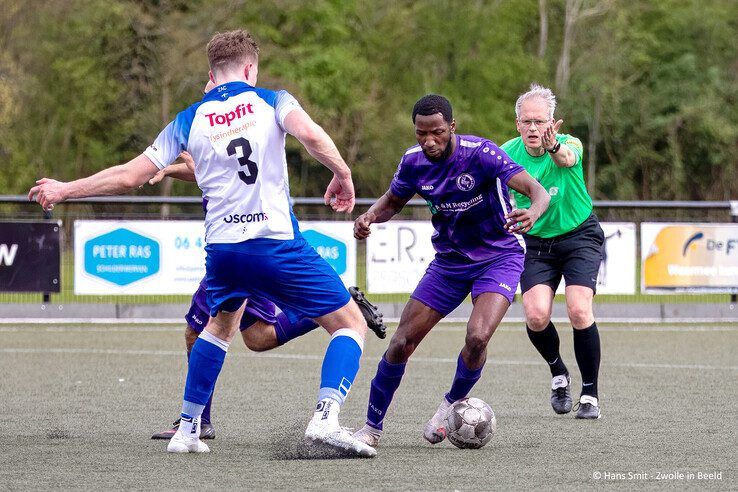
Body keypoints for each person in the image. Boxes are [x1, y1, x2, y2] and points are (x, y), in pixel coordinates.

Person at [28, 29, 377, 457]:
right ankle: (326, 418)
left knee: (219, 327)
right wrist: (342, 173)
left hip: (224, 252)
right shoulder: (273, 100)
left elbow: (130, 175)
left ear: (212, 73)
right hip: (274, 243)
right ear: (250, 68)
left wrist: (64, 190)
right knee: (350, 323)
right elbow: (311, 135)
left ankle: (189, 430)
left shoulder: (188, 118)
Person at [350, 94, 550, 448]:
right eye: (421, 133)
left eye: (437, 133)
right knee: (400, 343)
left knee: (477, 337)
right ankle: (371, 429)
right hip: (449, 263)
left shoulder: (481, 153)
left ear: (452, 128)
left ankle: (448, 405)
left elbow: (537, 191)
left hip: (499, 256)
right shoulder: (413, 162)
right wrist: (369, 215)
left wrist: (534, 210)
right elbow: (393, 201)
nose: (429, 141)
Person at [148, 151, 387, 440]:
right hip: (245, 244)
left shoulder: (234, 123)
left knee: (199, 332)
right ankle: (342, 309)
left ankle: (196, 422)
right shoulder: (235, 124)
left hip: (241, 244)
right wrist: (171, 170)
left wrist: (342, 173)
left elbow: (222, 172)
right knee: (259, 338)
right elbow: (210, 172)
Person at [501, 83, 604, 419]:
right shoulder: (506, 154)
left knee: (578, 309)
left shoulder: (567, 144)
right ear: (517, 124)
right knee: (535, 314)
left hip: (579, 236)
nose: (534, 128)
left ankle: (590, 395)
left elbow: (567, 157)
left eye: (540, 121)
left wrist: (554, 145)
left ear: (552, 122)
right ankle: (559, 373)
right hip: (536, 244)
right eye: (527, 121)